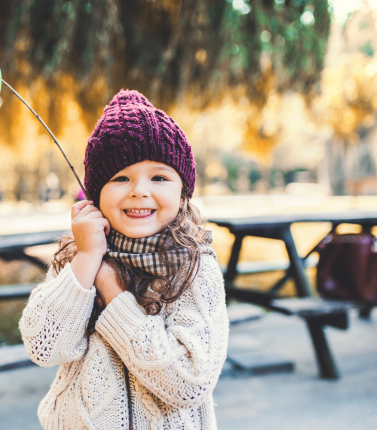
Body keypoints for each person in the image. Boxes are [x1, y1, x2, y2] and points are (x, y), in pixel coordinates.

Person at [19, 90, 229, 430]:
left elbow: (189, 382)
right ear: (95, 194)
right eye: (120, 178)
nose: (139, 191)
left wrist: (112, 292)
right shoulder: (78, 257)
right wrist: (88, 258)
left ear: (182, 191)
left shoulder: (193, 266)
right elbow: (44, 347)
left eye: (159, 177)